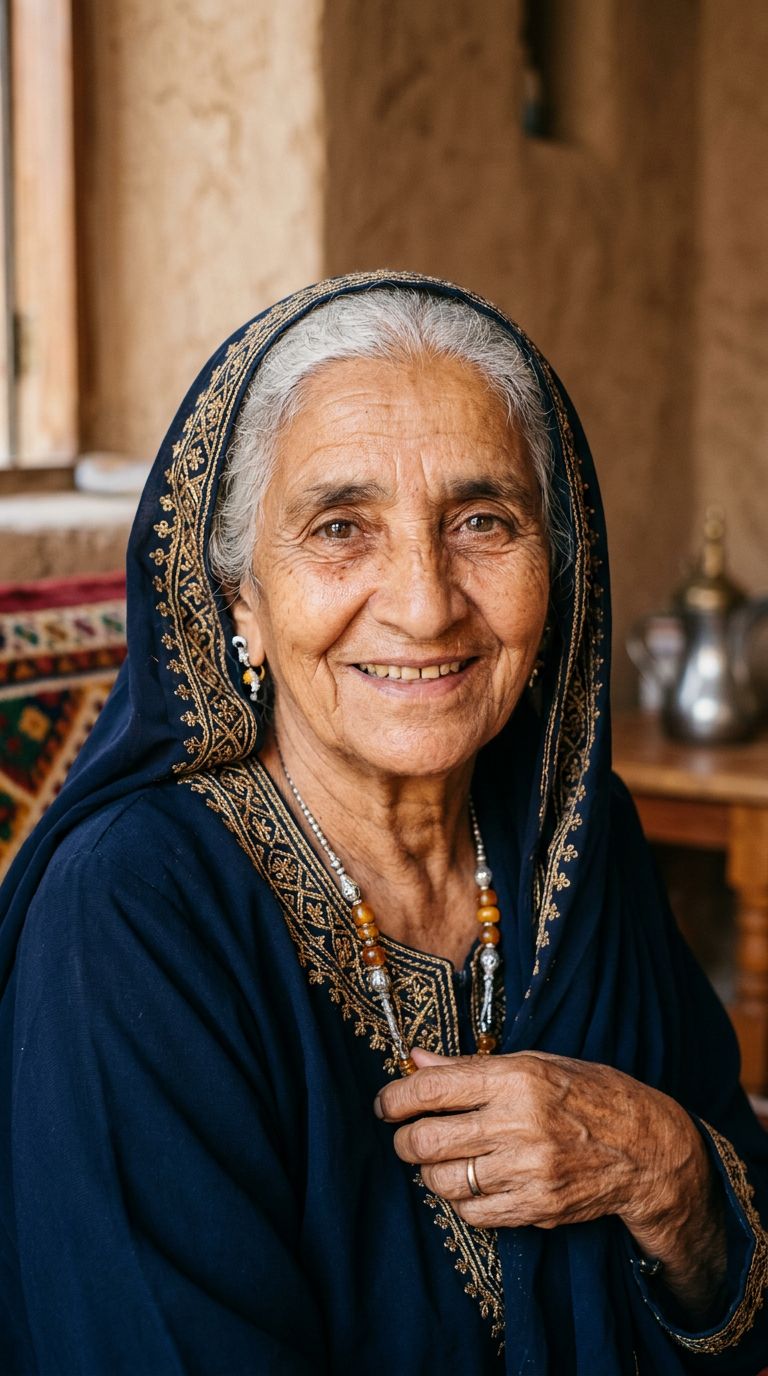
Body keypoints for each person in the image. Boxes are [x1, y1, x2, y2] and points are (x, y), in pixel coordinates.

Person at [0, 271, 766, 1376]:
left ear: (557, 574)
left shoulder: (571, 841)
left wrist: (663, 1165)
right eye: (341, 526)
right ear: (239, 601)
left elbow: (741, 1269)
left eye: (482, 521)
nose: (424, 598)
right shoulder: (127, 916)